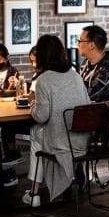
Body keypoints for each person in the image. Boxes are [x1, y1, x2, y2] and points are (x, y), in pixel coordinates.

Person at [22, 35, 90, 207]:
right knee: (41, 134)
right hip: (81, 141)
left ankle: (34, 193)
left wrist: (32, 104)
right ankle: (64, 180)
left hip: (61, 144)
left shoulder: (44, 80)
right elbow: (87, 106)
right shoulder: (75, 76)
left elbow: (41, 116)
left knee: (35, 132)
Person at [77, 25, 109, 102]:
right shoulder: (86, 63)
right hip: (86, 108)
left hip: (104, 109)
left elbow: (92, 94)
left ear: (91, 45)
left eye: (80, 41)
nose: (78, 44)